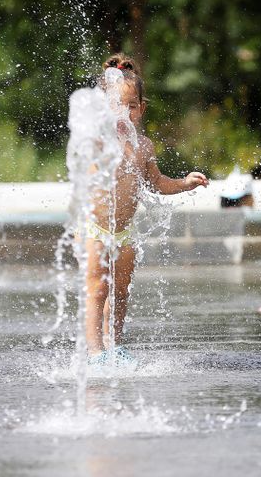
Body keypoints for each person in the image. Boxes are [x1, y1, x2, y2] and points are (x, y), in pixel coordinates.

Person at [85, 53, 209, 367]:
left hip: (125, 230)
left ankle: (114, 344)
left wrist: (184, 183)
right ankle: (95, 352)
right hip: (93, 228)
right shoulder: (97, 141)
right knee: (98, 289)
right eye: (114, 105)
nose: (123, 113)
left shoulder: (144, 146)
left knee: (121, 291)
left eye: (130, 106)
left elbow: (155, 183)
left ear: (141, 108)